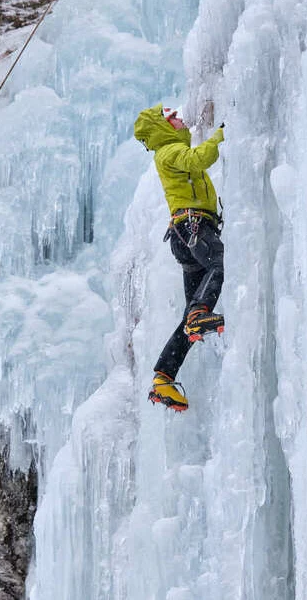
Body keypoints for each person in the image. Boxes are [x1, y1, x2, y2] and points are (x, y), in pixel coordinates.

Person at [133, 103, 226, 412]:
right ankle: (200, 313)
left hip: (184, 234)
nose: (180, 119)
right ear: (161, 127)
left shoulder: (169, 151)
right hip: (193, 227)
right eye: (171, 117)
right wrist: (224, 134)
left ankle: (164, 376)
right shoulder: (169, 152)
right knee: (216, 264)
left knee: (189, 315)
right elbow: (199, 159)